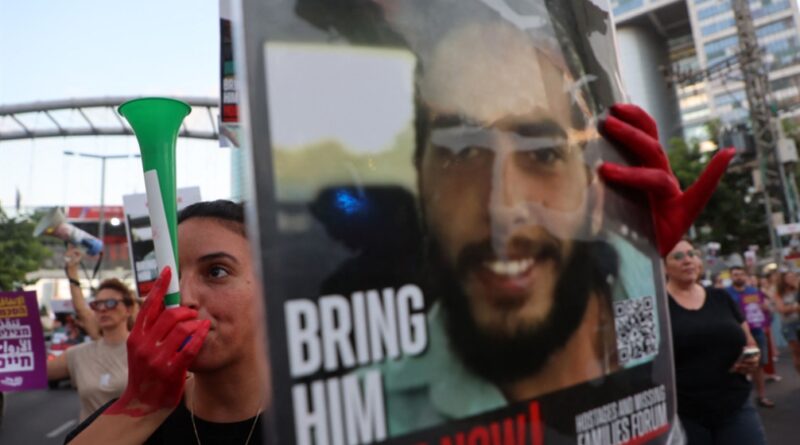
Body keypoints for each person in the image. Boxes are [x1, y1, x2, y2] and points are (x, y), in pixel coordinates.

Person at [358, 14, 735, 435]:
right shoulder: (373, 409)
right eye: (462, 153)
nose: (503, 209)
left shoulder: (636, 289)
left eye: (542, 154)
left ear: (593, 192)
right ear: (420, 182)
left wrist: (650, 255)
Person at [65, 200, 268, 444]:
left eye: (216, 272)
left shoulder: (308, 417)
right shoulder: (129, 426)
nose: (184, 298)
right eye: (172, 280)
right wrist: (143, 406)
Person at [666, 240, 767, 444]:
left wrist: (752, 357)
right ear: (663, 266)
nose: (687, 260)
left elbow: (749, 342)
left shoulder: (720, 297)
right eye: (678, 256)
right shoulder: (658, 305)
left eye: (692, 254)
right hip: (685, 415)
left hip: (735, 406)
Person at [47, 278, 135, 420]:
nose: (103, 309)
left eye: (111, 303)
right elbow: (34, 373)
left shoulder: (144, 349)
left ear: (128, 309)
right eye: (97, 304)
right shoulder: (78, 354)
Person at [725, 266, 774, 407]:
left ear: (745, 276)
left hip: (757, 331)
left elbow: (766, 310)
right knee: (737, 365)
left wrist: (766, 310)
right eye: (735, 274)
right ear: (731, 276)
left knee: (758, 364)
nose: (739, 277)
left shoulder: (754, 291)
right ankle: (740, 400)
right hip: (736, 334)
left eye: (741, 274)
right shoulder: (725, 294)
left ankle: (762, 396)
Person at [774, 269, 800, 376]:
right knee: (796, 351)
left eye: (793, 277)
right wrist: (795, 307)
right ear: (783, 280)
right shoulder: (779, 294)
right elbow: (782, 309)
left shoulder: (797, 291)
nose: (792, 279)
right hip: (789, 325)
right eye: (789, 277)